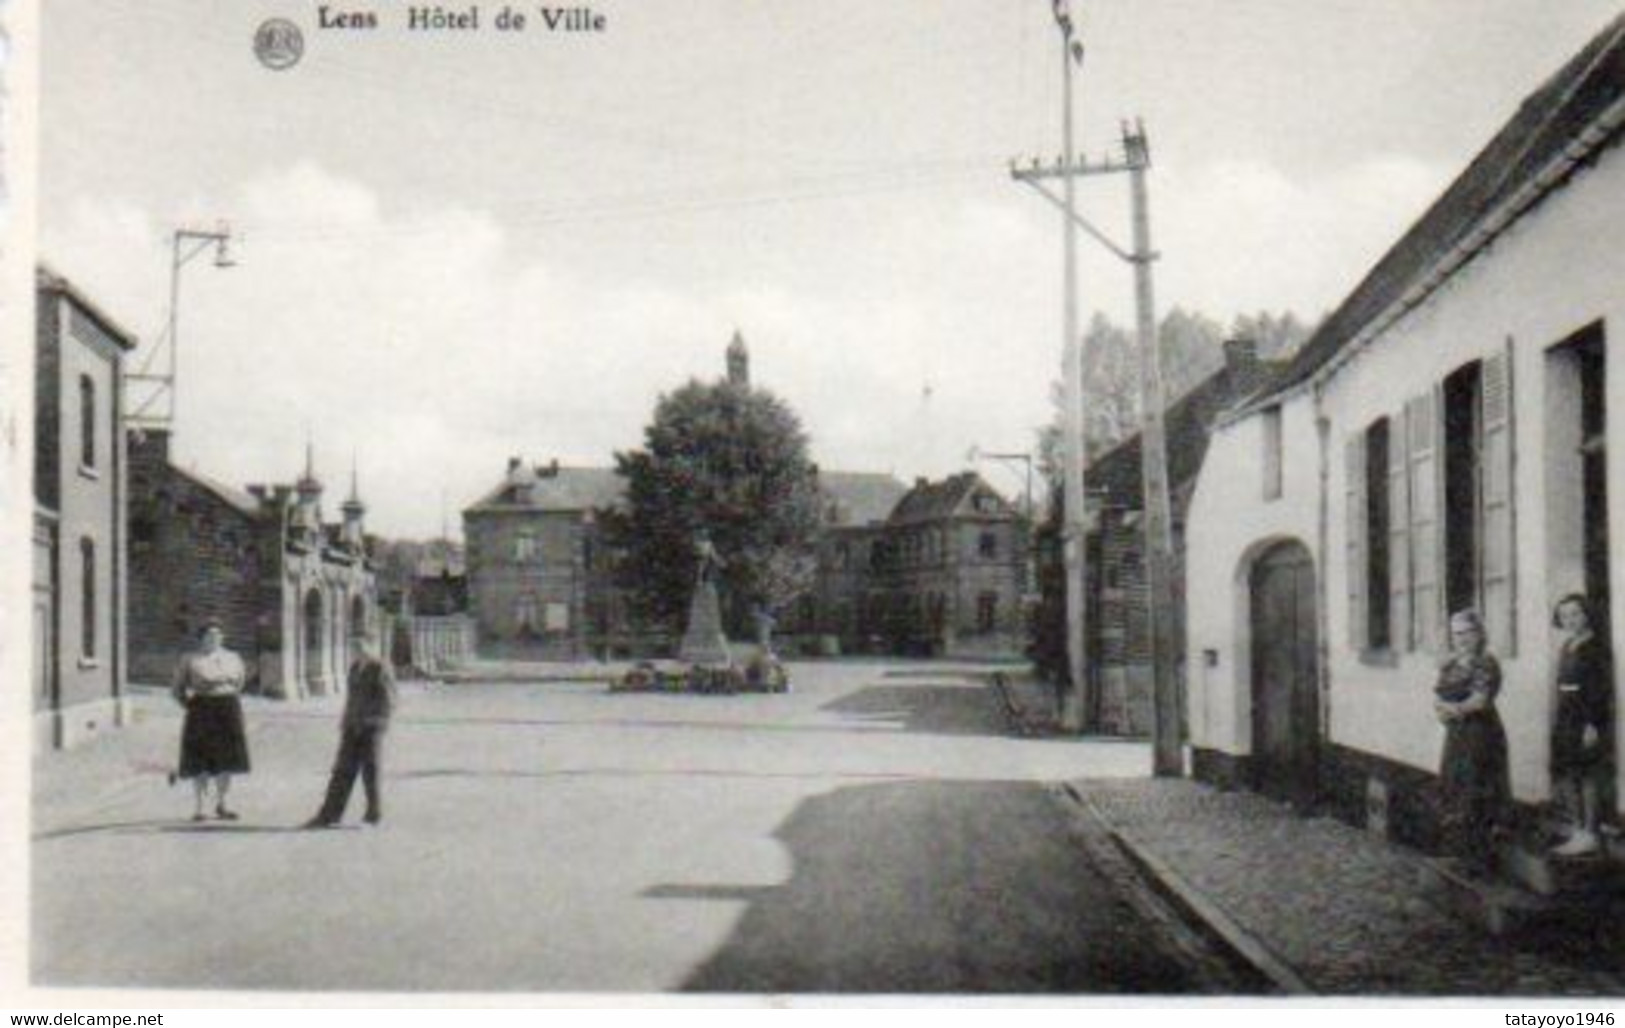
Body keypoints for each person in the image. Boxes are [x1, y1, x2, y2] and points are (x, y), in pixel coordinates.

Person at [1433, 609, 1511, 876]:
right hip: (1456, 734)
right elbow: (1438, 697)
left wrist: (1452, 709)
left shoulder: (1486, 662)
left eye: (1467, 632)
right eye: (1456, 634)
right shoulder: (1451, 664)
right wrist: (1443, 709)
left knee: (1477, 787)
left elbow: (1480, 700)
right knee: (1456, 786)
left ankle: (1481, 860)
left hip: (1481, 733)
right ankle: (1462, 854)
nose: (1462, 639)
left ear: (1479, 634)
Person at [305, 633, 397, 829]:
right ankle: (329, 815)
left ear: (372, 647)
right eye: (353, 647)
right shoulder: (355, 668)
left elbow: (389, 701)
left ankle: (374, 815)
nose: (356, 651)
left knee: (370, 772)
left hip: (371, 727)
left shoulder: (380, 668)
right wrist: (345, 720)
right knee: (341, 771)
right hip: (351, 726)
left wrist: (376, 723)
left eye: (360, 647)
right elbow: (351, 699)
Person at [1548, 594, 1615, 857]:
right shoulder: (1567, 646)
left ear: (1586, 614)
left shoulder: (1596, 647)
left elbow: (1600, 689)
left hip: (1587, 716)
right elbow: (1561, 684)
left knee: (1589, 772)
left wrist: (1592, 724)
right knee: (1570, 771)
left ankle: (1590, 831)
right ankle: (1577, 829)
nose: (1571, 620)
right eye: (1565, 616)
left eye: (1575, 614)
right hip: (1567, 715)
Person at [172, 622, 251, 821]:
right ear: (201, 638)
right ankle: (200, 807)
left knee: (226, 761)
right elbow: (177, 689)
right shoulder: (190, 659)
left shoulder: (233, 657)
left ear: (223, 637)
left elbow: (240, 683)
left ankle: (222, 804)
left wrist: (227, 697)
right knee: (201, 761)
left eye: (217, 635)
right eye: (208, 635)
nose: (213, 639)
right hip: (201, 710)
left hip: (228, 709)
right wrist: (192, 707)